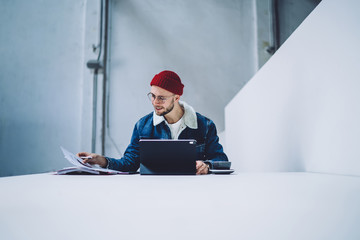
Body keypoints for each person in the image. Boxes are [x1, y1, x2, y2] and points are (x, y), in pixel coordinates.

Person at [77, 70, 228, 174]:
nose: (155, 102)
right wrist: (101, 160)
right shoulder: (143, 126)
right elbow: (129, 163)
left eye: (161, 98)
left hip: (193, 191)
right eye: (152, 95)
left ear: (176, 98)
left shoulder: (205, 125)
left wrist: (207, 166)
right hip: (153, 193)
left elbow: (221, 160)